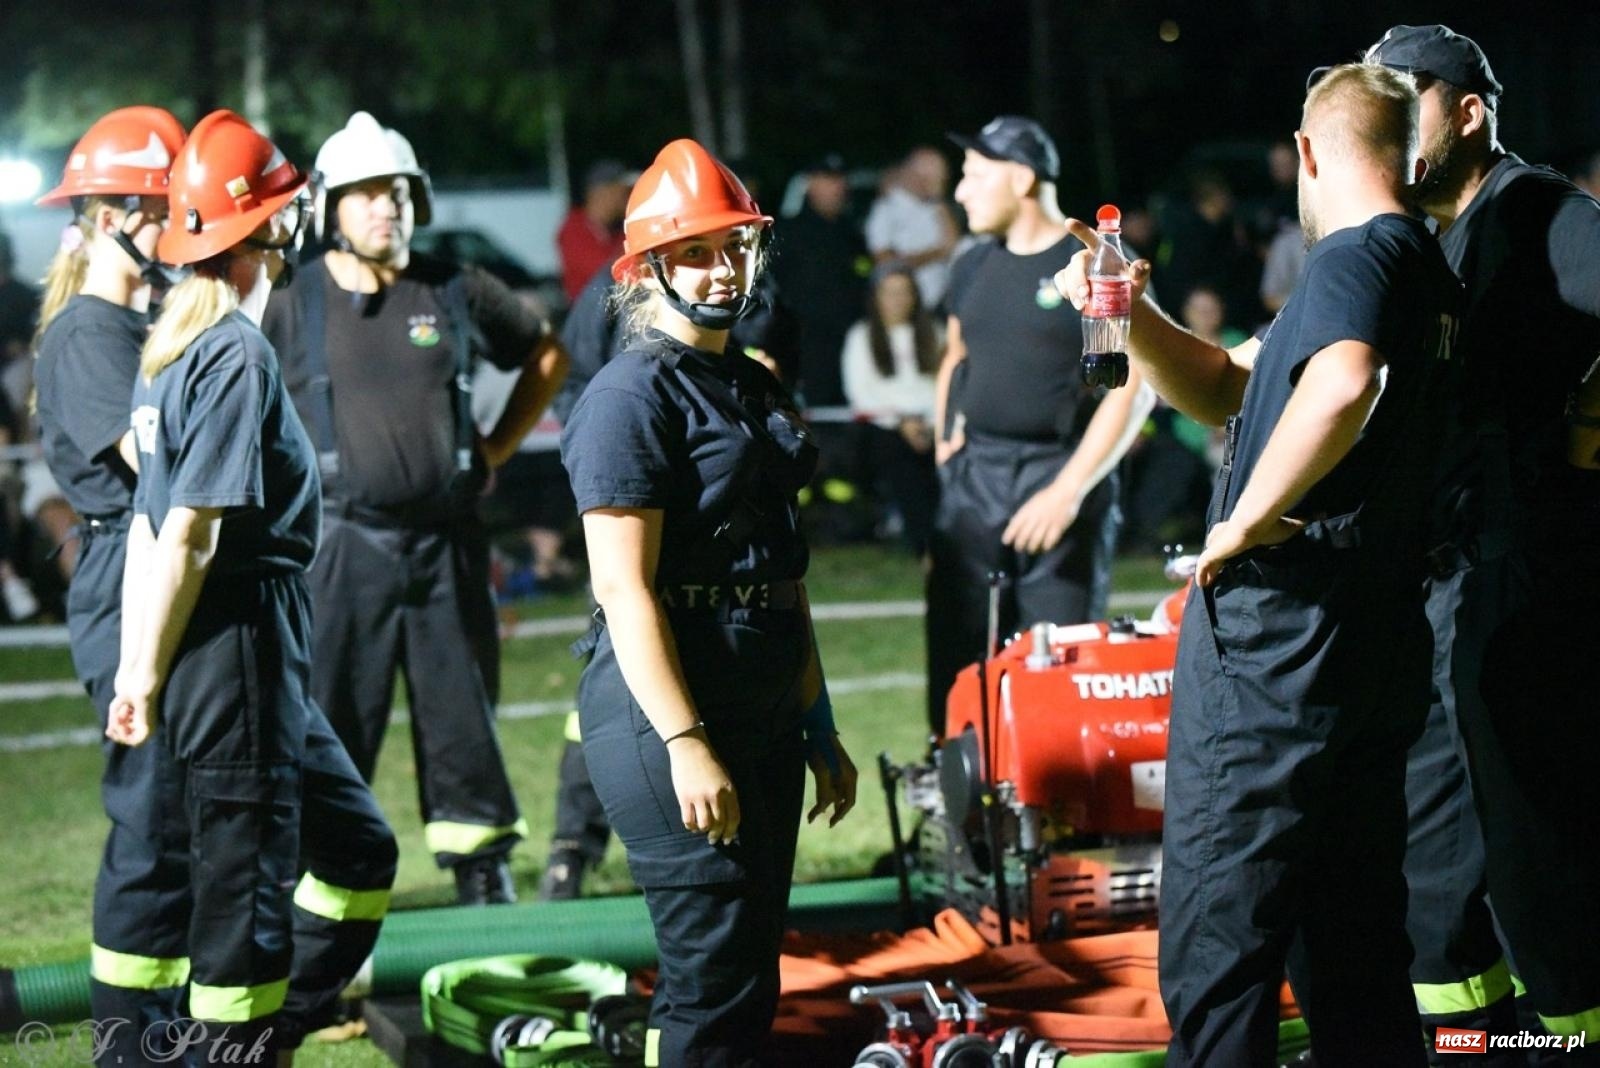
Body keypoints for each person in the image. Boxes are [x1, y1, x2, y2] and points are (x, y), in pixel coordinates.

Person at [1058, 64, 1461, 1066]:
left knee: (1219, 941)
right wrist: (1128, 317)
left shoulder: (1351, 259)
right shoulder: (1423, 265)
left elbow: (1343, 380)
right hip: (1371, 643)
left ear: (1312, 152)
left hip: (1282, 647)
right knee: (1350, 941)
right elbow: (1226, 386)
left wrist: (1242, 520)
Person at [105, 108, 398, 1061]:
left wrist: (138, 669)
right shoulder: (234, 351)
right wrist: (141, 677)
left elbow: (155, 532)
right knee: (242, 903)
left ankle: (260, 1030)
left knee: (358, 849)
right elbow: (187, 534)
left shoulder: (174, 350)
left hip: (221, 650)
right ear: (267, 229)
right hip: (237, 648)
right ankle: (230, 1048)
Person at [560, 137, 857, 1064]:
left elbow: (779, 572)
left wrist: (819, 723)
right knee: (708, 982)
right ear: (649, 267)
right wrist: (688, 746)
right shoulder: (627, 395)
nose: (723, 268)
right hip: (670, 713)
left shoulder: (746, 380)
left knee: (748, 972)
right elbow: (623, 587)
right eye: (696, 249)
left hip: (762, 700)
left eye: (735, 245)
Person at [1353, 25, 1600, 1059]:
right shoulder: (1432, 238)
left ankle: (1575, 1030)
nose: (1384, 127)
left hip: (1527, 570)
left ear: (1465, 109)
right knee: (1441, 840)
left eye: (1400, 101)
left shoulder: (1545, 210)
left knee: (1533, 835)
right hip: (1454, 571)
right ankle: (1464, 1036)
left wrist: (1586, 434)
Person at [262, 112, 569, 904]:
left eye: (395, 192)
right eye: (364, 194)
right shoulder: (292, 299)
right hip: (340, 546)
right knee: (332, 719)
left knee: (463, 710)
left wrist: (494, 448)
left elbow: (546, 353)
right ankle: (320, 884)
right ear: (331, 207)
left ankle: (481, 869)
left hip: (448, 545)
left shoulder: (456, 286)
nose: (383, 208)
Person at [31, 105, 196, 1063]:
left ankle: (170, 1017)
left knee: (184, 816)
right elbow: (158, 461)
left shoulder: (130, 320)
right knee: (151, 816)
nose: (180, 231)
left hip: (152, 569)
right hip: (122, 578)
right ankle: (127, 1041)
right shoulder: (89, 333)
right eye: (163, 211)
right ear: (109, 217)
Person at [926, 115, 1152, 734]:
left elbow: (1133, 384)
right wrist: (949, 448)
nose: (962, 191)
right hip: (976, 478)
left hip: (1057, 473)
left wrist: (1068, 490)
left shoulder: (1092, 264)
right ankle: (961, 814)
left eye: (975, 176)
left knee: (1055, 667)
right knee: (957, 657)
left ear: (1022, 178)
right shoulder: (972, 264)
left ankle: (1053, 823)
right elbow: (956, 355)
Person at [840, 263, 941, 551]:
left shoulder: (934, 332)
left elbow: (945, 385)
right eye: (889, 293)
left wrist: (931, 424)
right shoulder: (861, 337)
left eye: (904, 292)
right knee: (901, 464)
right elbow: (860, 393)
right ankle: (921, 543)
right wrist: (902, 422)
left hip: (931, 425)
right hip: (886, 428)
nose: (897, 300)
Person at [771, 153, 870, 409]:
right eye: (828, 179)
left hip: (851, 343)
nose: (837, 187)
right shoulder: (787, 232)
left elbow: (863, 277)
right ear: (811, 183)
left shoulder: (851, 232)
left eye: (840, 180)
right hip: (807, 346)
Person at [865, 146, 958, 309]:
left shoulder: (936, 207)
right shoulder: (887, 208)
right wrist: (937, 253)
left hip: (940, 302)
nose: (940, 181)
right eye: (935, 176)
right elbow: (885, 261)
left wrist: (938, 200)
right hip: (906, 307)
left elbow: (953, 245)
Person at [557, 159, 631, 303]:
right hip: (588, 314)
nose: (628, 198)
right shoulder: (573, 228)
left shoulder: (616, 230)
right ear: (602, 193)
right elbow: (608, 273)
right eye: (623, 192)